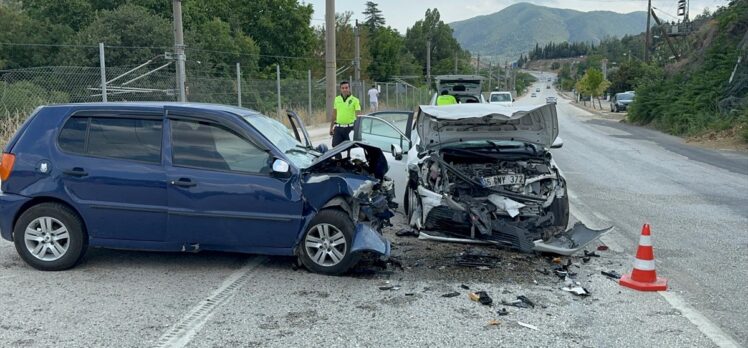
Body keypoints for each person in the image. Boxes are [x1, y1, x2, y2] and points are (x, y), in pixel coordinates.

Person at [329, 81, 361, 147]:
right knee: (335, 147)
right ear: (340, 89)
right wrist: (331, 127)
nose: (344, 90)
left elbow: (358, 115)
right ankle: (338, 158)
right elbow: (334, 114)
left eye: (346, 88)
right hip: (339, 128)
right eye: (343, 88)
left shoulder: (355, 100)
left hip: (350, 128)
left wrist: (359, 128)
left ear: (349, 88)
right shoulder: (337, 99)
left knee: (351, 148)